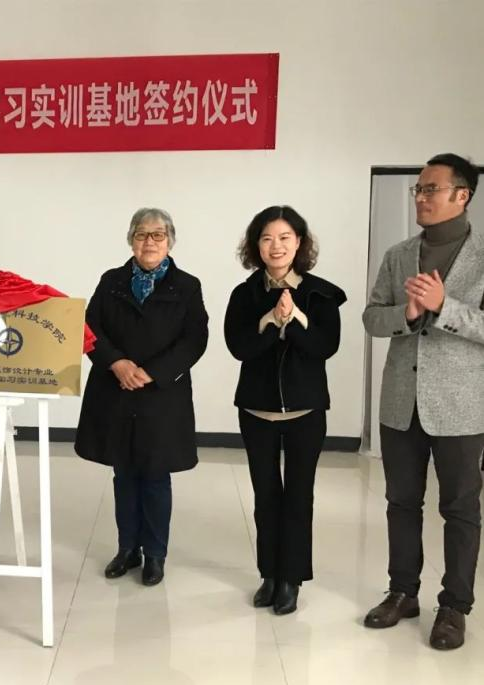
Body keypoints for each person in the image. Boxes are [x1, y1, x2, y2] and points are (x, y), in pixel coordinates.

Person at [362, 153, 484, 650]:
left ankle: (454, 606)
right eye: (418, 189)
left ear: (462, 195)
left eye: (431, 188)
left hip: (460, 404)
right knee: (401, 502)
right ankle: (402, 592)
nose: (421, 197)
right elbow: (372, 317)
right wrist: (407, 315)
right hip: (400, 401)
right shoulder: (399, 254)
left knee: (460, 508)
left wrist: (443, 307)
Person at [75, 208, 208, 586]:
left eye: (158, 235)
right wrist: (116, 363)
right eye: (141, 234)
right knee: (124, 473)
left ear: (170, 241)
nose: (149, 242)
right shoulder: (112, 280)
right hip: (116, 390)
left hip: (161, 396)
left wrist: (153, 373)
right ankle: (127, 549)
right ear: (131, 240)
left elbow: (195, 339)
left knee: (154, 474)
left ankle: (155, 554)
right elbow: (90, 327)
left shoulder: (187, 286)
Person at [224, 205, 345, 615]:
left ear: (299, 243)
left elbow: (324, 347)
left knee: (298, 497)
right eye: (266, 238)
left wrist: (294, 319)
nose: (275, 246)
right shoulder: (244, 294)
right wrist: (269, 321)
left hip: (305, 413)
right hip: (255, 412)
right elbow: (239, 347)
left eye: (284, 238)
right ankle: (269, 575)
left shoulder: (322, 293)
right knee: (265, 497)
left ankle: (291, 578)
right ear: (256, 246)